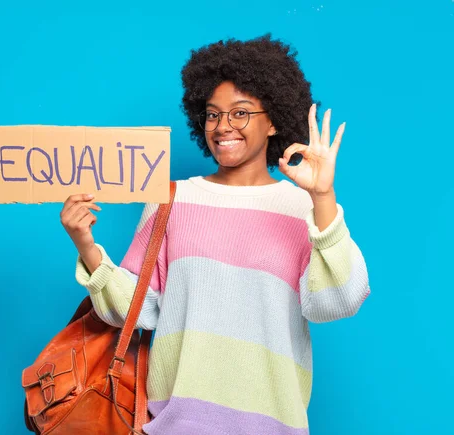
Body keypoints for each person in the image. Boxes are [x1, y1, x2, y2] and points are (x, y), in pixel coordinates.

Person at [60, 34, 371, 435]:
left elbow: (341, 300)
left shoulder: (303, 210)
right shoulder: (172, 200)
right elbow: (135, 310)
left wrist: (323, 196)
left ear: (273, 119)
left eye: (240, 113)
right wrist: (85, 245)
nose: (223, 126)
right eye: (212, 114)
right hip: (175, 426)